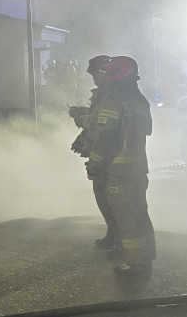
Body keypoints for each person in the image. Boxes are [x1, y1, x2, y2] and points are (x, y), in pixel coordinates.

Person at [85, 56, 156, 276]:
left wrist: (93, 165)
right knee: (140, 214)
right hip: (137, 168)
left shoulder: (115, 100)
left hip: (119, 171)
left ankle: (136, 263)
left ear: (115, 75)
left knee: (127, 219)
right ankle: (147, 255)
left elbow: (107, 139)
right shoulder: (138, 99)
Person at [69, 55, 118, 250]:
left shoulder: (111, 96)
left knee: (111, 201)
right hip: (106, 157)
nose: (94, 79)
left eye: (96, 74)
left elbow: (102, 125)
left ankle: (119, 240)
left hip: (108, 158)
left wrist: (81, 118)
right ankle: (113, 234)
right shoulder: (106, 94)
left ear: (105, 73)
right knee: (105, 200)